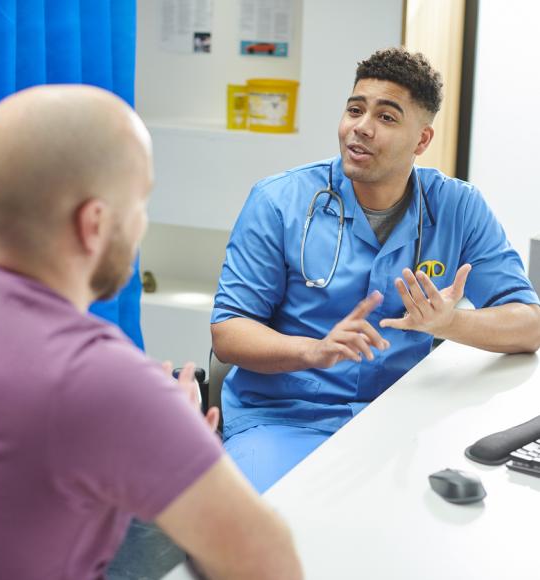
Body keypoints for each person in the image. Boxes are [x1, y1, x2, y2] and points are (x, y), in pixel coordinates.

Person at [0, 85, 302, 580]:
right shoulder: (100, 378)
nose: (142, 224)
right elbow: (269, 565)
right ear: (95, 223)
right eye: (140, 202)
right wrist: (178, 439)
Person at [211, 47, 540, 493]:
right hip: (285, 418)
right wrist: (314, 351)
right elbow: (229, 333)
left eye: (386, 117)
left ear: (422, 140)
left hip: (399, 422)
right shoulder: (278, 202)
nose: (360, 127)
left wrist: (451, 322)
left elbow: (529, 325)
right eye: (354, 109)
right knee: (273, 533)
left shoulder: (458, 208)